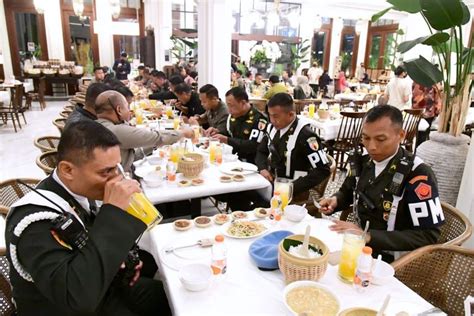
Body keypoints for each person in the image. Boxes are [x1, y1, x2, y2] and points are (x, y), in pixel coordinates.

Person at [5, 120, 170, 315]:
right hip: (72, 306)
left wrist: (123, 259)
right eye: (106, 172)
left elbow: (88, 241)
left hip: (104, 288)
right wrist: (113, 212)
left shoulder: (79, 190)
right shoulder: (34, 223)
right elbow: (77, 296)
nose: (116, 179)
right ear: (68, 170)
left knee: (169, 294)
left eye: (117, 167)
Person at [319, 105, 445, 262]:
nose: (371, 146)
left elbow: (429, 234)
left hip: (392, 259)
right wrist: (335, 200)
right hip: (357, 245)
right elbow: (348, 190)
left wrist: (369, 236)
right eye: (365, 138)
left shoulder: (417, 173)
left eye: (380, 139)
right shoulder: (362, 160)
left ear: (400, 135)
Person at [255, 93, 330, 200]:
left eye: (275, 116)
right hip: (273, 182)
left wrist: (292, 187)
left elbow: (323, 170)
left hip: (294, 190)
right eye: (269, 115)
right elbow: (261, 151)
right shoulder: (272, 128)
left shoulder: (306, 135)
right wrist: (262, 168)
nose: (271, 121)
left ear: (291, 114)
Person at [95, 90, 193, 172]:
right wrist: (183, 133)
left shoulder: (97, 126)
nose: (130, 111)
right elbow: (157, 137)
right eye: (127, 106)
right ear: (119, 109)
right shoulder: (115, 131)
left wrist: (154, 145)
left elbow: (133, 155)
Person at [210, 87, 267, 164]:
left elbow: (253, 145)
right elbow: (230, 134)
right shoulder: (233, 116)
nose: (229, 110)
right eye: (227, 105)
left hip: (251, 164)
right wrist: (217, 133)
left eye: (231, 106)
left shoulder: (259, 119)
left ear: (243, 103)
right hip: (233, 159)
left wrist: (227, 140)